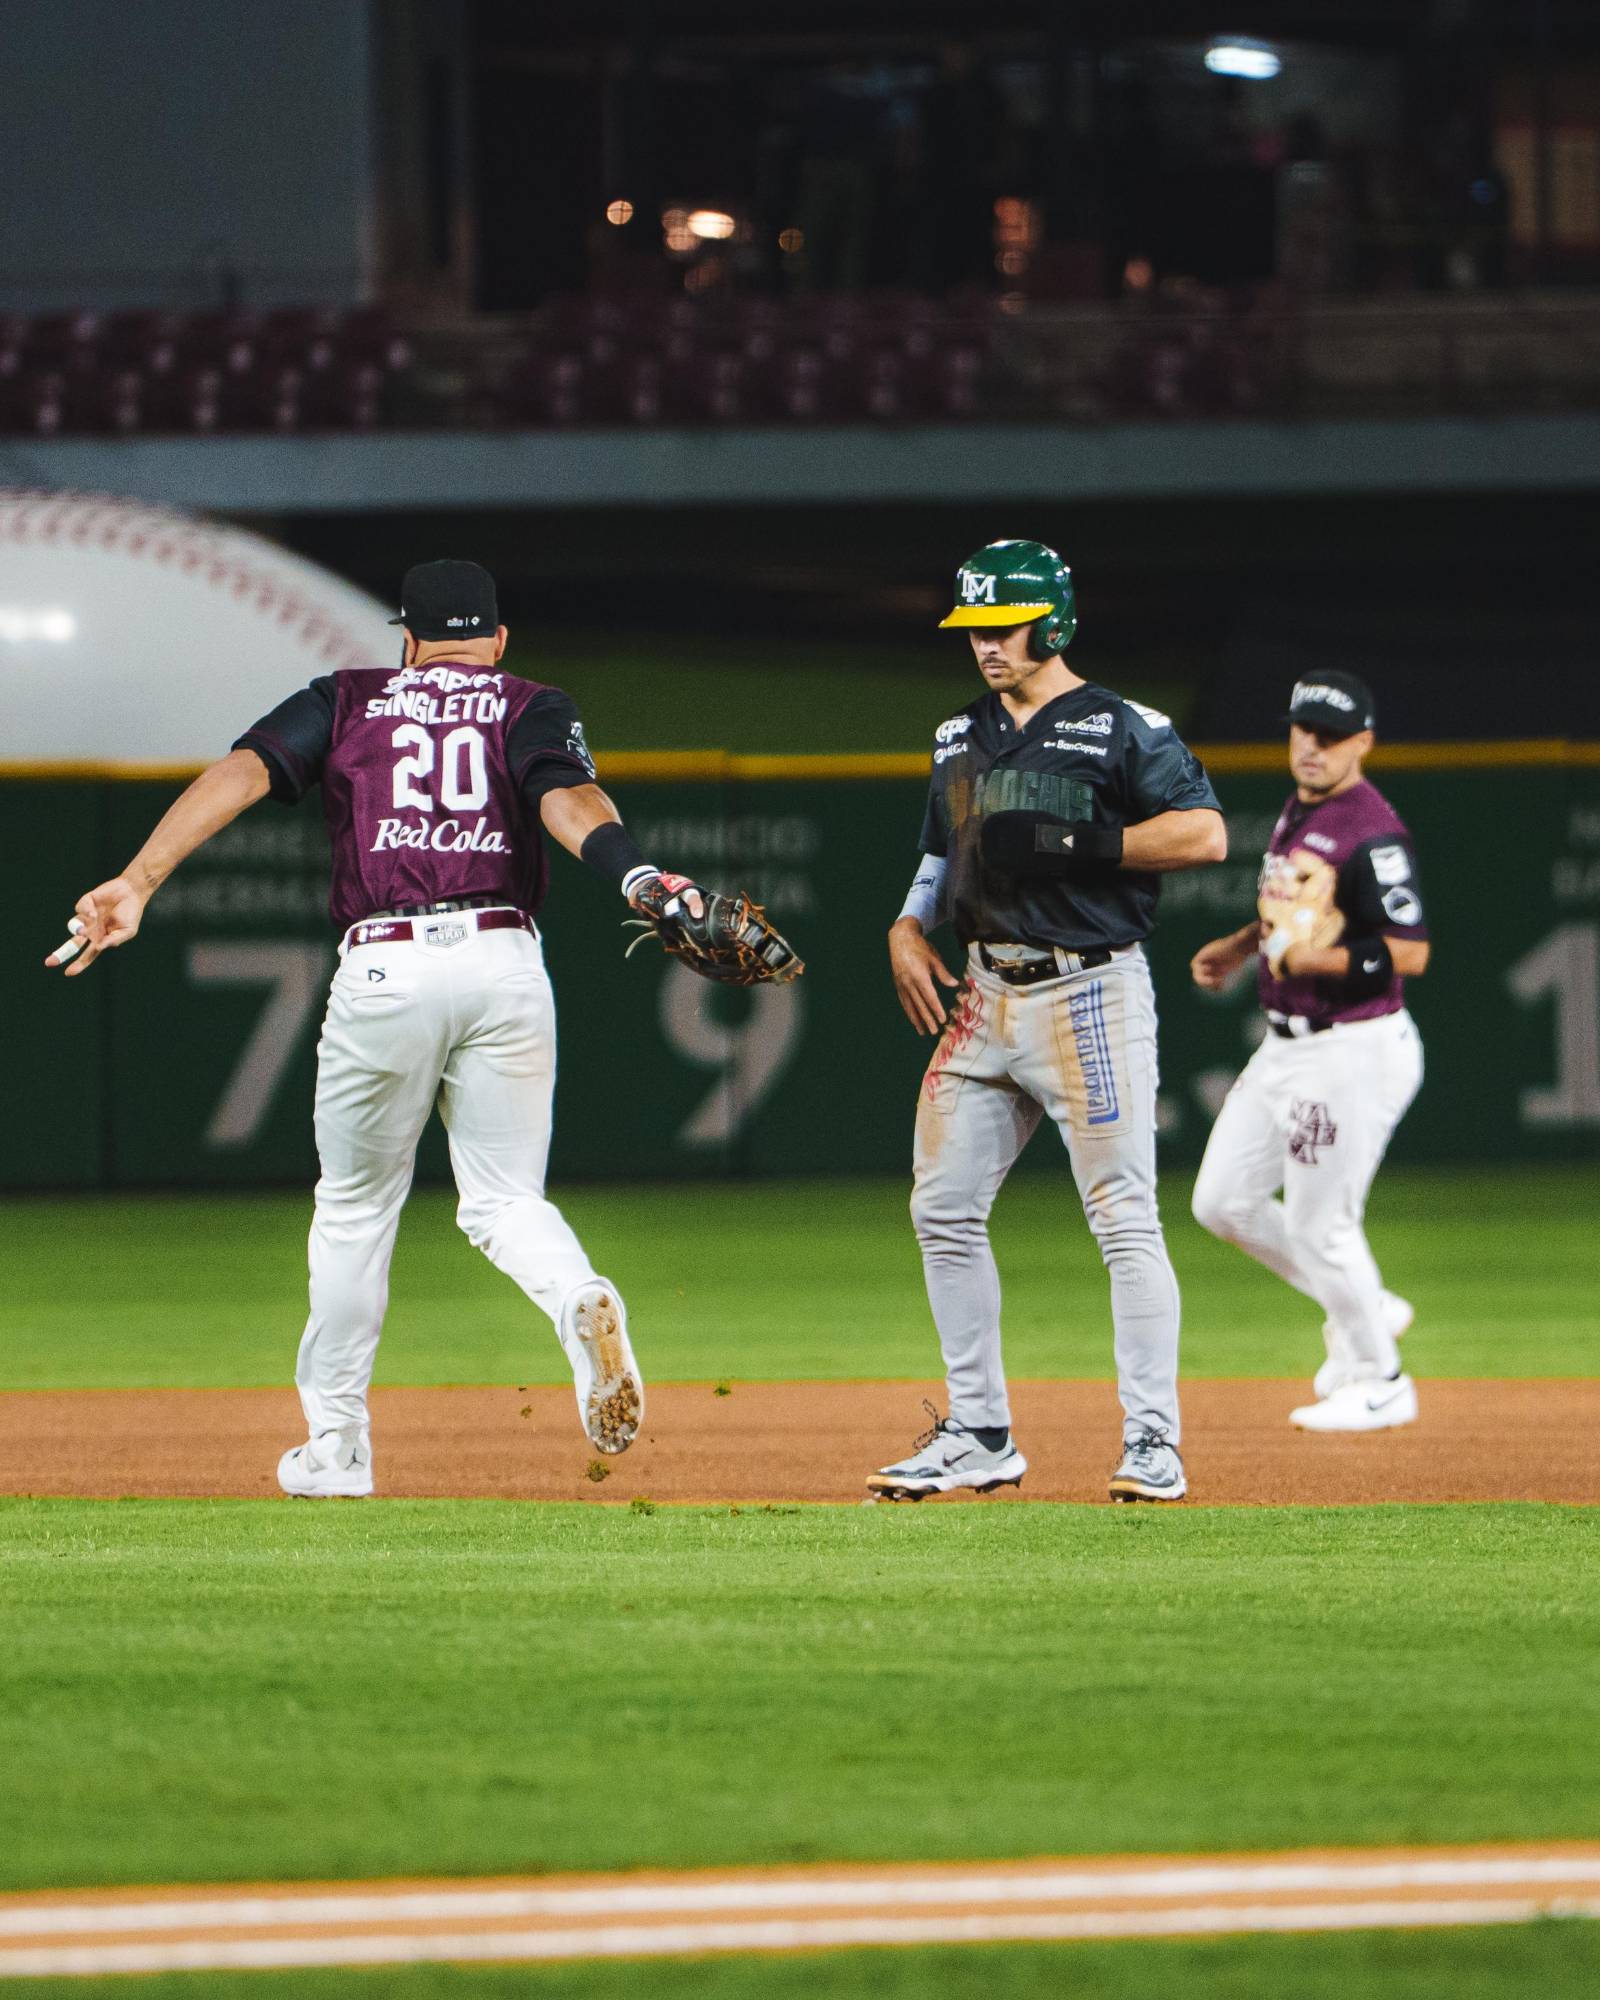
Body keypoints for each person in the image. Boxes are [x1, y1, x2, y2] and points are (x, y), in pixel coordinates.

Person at [45, 560, 708, 1497]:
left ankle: (339, 1448)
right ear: (499, 641)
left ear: (407, 637)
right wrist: (638, 876)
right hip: (503, 957)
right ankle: (577, 1299)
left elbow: (243, 771)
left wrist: (140, 880)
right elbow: (566, 797)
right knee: (506, 1200)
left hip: (388, 962)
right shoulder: (529, 704)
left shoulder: (348, 699)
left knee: (356, 1208)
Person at [871, 539, 1226, 1504]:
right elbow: (939, 854)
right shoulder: (957, 735)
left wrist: (1083, 841)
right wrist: (908, 926)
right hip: (983, 993)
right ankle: (980, 1433)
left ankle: (1153, 1441)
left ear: (1054, 623)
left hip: (1087, 993)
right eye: (974, 627)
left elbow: (1206, 832)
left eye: (1003, 624)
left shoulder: (1123, 728)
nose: (985, 643)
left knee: (1122, 1220)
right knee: (941, 1209)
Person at [1189, 672, 1429, 1432]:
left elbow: (1408, 951)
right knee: (1221, 1201)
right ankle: (1363, 1305)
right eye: (1302, 732)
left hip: (1350, 1049)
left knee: (1326, 1225)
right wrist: (1239, 949)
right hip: (1286, 1045)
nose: (1312, 747)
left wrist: (1312, 963)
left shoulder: (1373, 830)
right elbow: (1290, 915)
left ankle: (1382, 1380)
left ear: (1363, 742)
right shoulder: (1302, 808)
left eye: (1329, 736)